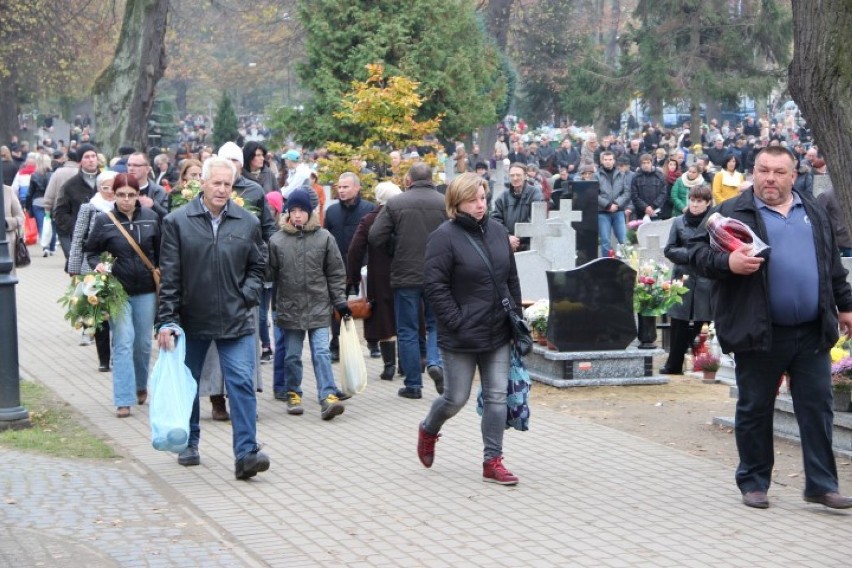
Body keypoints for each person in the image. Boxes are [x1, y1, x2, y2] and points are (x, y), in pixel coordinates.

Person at [689, 146, 852, 510]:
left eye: (779, 172)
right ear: (754, 172)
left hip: (811, 331)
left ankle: (821, 485)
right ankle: (754, 481)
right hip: (759, 330)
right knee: (755, 407)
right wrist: (727, 262)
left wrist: (847, 306)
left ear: (794, 175)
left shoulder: (812, 210)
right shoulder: (732, 211)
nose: (770, 179)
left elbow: (832, 266)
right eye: (763, 170)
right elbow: (695, 254)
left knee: (817, 408)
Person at [156, 157, 270, 479]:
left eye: (227, 184)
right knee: (189, 383)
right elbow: (170, 278)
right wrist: (167, 321)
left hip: (235, 320)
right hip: (192, 319)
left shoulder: (247, 222)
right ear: (202, 183)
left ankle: (246, 453)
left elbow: (258, 266)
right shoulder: (178, 221)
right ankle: (189, 443)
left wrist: (246, 295)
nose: (222, 189)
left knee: (241, 384)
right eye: (216, 183)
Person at [418, 172, 522, 485]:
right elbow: (434, 286)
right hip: (461, 332)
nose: (480, 205)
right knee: (455, 397)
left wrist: (517, 317)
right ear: (456, 202)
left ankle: (493, 460)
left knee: (496, 396)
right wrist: (456, 320)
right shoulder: (443, 237)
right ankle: (428, 428)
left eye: (482, 198)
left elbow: (510, 279)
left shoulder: (497, 231)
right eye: (472, 199)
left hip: (497, 329)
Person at [84, 174, 160, 418]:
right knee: (123, 340)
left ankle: (140, 384)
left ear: (138, 195)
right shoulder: (104, 221)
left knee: (143, 343)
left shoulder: (151, 219)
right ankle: (123, 398)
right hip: (118, 289)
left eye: (131, 194)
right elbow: (91, 251)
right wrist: (98, 265)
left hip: (146, 288)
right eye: (121, 195)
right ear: (113, 195)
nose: (126, 200)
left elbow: (161, 252)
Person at [268, 189, 348, 419]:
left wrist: (340, 301)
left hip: (318, 304)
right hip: (289, 307)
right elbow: (267, 274)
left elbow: (335, 272)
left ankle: (328, 396)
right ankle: (293, 392)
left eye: (301, 210)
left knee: (321, 351)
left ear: (309, 212)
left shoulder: (324, 238)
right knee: (292, 355)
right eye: (293, 211)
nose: (297, 215)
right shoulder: (277, 241)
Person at [369, 163, 446, 398]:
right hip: (438, 274)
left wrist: (395, 247)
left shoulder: (395, 203)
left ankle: (413, 385)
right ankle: (435, 361)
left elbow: (374, 236)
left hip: (405, 274)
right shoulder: (444, 203)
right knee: (436, 325)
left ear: (409, 180)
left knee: (408, 330)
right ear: (431, 179)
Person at [347, 181, 402, 382]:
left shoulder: (369, 219)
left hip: (379, 276)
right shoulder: (404, 216)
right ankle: (406, 364)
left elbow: (355, 249)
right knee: (404, 316)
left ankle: (389, 366)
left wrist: (352, 277)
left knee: (384, 317)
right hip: (406, 273)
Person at [659, 184, 713, 374]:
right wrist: (691, 254)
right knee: (679, 323)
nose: (695, 205)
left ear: (707, 203)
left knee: (703, 324)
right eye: (692, 200)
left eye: (699, 201)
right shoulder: (679, 222)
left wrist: (703, 256)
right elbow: (669, 249)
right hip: (683, 278)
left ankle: (703, 364)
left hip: (705, 279)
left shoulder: (713, 223)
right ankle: (674, 364)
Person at [325, 172, 375, 361]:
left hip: (363, 267)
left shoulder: (369, 209)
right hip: (338, 268)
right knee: (337, 307)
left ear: (357, 188)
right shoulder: (331, 212)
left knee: (370, 305)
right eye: (339, 187)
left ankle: (373, 342)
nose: (342, 190)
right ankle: (335, 345)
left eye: (346, 187)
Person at [54, 144, 101, 266]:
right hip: (82, 241)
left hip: (106, 238)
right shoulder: (70, 185)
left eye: (93, 156)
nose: (91, 160)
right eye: (87, 157)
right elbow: (60, 213)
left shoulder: (107, 181)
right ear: (80, 161)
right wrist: (77, 227)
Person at [492, 163, 544, 252]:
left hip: (529, 244)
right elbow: (496, 221)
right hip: (508, 244)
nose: (515, 178)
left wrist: (518, 239)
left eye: (518, 175)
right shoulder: (503, 197)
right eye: (512, 175)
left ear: (525, 176)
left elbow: (537, 218)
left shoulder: (535, 193)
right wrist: (507, 237)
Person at [596, 151, 630, 257]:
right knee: (605, 239)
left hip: (618, 211)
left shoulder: (621, 175)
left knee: (622, 238)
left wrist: (616, 203)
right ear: (602, 161)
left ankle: (625, 262)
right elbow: (594, 194)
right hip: (603, 212)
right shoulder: (596, 176)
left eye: (610, 159)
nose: (608, 162)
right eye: (605, 160)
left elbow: (626, 192)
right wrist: (607, 205)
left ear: (614, 161)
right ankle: (606, 264)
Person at [631, 154, 668, 220]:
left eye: (648, 163)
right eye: (644, 163)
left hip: (656, 211)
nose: (646, 165)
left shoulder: (659, 175)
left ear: (652, 163)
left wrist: (653, 206)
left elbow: (663, 193)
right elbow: (634, 195)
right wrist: (645, 207)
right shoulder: (636, 176)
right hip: (641, 212)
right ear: (640, 164)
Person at [3, 183, 24, 275]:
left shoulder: (7, 191)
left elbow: (20, 217)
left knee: (8, 276)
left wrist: (7, 222)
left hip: (6, 242)